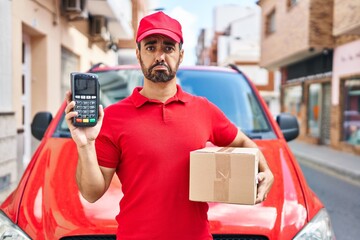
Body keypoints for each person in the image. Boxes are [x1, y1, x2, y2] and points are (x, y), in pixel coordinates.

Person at [65, 11, 274, 240]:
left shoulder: (203, 109)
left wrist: (266, 170)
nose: (159, 56)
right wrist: (85, 145)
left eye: (168, 48)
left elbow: (243, 142)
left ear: (181, 55)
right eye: (151, 47)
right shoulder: (113, 117)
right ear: (138, 54)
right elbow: (92, 193)